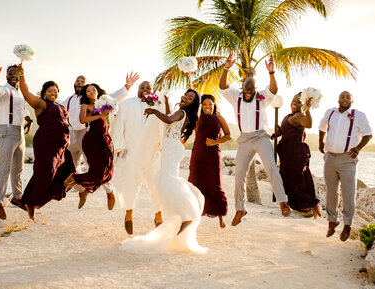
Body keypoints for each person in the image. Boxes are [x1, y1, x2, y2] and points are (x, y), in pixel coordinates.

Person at [120, 89, 207, 254]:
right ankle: (184, 215)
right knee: (164, 180)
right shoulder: (180, 113)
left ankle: (187, 216)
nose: (185, 98)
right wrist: (166, 101)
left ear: (192, 104)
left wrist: (153, 111)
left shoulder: (181, 112)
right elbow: (169, 118)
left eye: (190, 98)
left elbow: (167, 118)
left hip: (172, 150)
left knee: (168, 180)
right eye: (185, 95)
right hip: (169, 149)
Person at [219, 52, 290, 226]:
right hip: (244, 140)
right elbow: (222, 87)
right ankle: (240, 208)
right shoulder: (236, 96)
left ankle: (282, 202)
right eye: (246, 88)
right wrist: (226, 68)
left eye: (252, 89)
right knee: (239, 174)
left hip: (261, 137)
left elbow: (273, 90)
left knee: (271, 166)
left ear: (255, 89)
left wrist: (272, 73)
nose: (249, 91)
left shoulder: (261, 98)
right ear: (242, 87)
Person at [59, 73, 139, 210]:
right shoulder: (69, 99)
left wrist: (128, 85)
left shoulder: (102, 100)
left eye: (82, 81)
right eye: (77, 80)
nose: (79, 82)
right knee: (70, 164)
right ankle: (82, 190)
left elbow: (116, 95)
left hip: (90, 133)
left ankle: (109, 191)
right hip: (74, 134)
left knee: (98, 167)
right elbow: (57, 106)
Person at [17, 65, 75, 220]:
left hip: (60, 146)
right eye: (49, 90)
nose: (53, 92)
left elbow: (64, 124)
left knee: (64, 173)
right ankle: (31, 203)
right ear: (44, 93)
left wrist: (66, 141)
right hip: (45, 144)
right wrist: (22, 76)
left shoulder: (61, 106)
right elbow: (26, 92)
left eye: (55, 90)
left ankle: (27, 201)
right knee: (47, 173)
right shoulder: (41, 104)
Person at [112, 81, 166, 235]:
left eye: (148, 87)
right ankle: (129, 215)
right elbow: (118, 126)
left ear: (152, 90)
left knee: (157, 185)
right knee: (130, 185)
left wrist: (164, 145)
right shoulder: (126, 104)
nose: (145, 89)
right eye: (142, 87)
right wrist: (119, 148)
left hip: (154, 151)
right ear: (137, 90)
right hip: (132, 151)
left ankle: (158, 217)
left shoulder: (159, 105)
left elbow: (164, 125)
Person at [319, 91, 372, 241]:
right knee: (331, 191)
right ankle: (332, 221)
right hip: (330, 158)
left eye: (348, 97)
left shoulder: (359, 115)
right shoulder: (330, 113)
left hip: (347, 159)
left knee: (348, 193)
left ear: (352, 101)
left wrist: (358, 148)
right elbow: (322, 126)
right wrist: (320, 141)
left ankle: (347, 225)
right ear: (338, 99)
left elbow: (368, 134)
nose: (345, 98)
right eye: (342, 96)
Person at [0, 65, 33, 220]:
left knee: (18, 168)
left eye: (17, 73)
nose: (14, 75)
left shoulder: (20, 92)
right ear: (6, 76)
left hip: (19, 131)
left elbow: (23, 108)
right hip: (6, 131)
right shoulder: (4, 90)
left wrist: (28, 120)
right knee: (4, 167)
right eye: (11, 73)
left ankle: (17, 197)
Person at [63, 84, 114, 209]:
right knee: (98, 172)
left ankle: (85, 188)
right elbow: (83, 120)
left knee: (108, 170)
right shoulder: (85, 105)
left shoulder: (105, 103)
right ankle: (75, 178)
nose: (91, 91)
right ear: (85, 94)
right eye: (88, 90)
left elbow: (109, 118)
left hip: (104, 139)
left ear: (98, 91)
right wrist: (101, 115)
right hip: (92, 141)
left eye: (93, 89)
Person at [271, 93, 321, 218]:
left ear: (304, 105)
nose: (295, 103)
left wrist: (308, 111)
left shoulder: (299, 115)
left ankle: (309, 204)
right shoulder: (290, 115)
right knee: (297, 180)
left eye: (299, 102)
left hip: (295, 153)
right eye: (294, 100)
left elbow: (308, 125)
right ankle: (308, 205)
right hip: (288, 154)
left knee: (291, 181)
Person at [188, 94, 231, 228]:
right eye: (205, 104)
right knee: (195, 182)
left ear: (214, 105)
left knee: (214, 184)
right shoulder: (198, 118)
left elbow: (228, 136)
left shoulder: (219, 118)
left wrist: (215, 142)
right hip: (198, 155)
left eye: (210, 104)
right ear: (201, 106)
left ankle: (220, 215)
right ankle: (194, 213)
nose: (207, 107)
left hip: (212, 155)